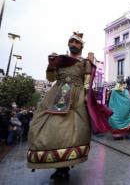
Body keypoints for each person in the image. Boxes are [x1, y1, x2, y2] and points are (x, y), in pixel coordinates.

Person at [27, 32, 111, 180]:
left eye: (77, 42)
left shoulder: (85, 62)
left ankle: (63, 167)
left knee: (72, 132)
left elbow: (87, 81)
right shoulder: (60, 61)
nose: (73, 44)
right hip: (57, 95)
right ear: (68, 44)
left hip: (76, 97)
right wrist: (51, 65)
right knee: (47, 128)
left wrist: (86, 97)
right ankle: (57, 163)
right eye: (71, 42)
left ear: (82, 45)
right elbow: (51, 78)